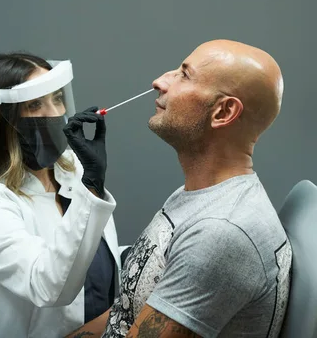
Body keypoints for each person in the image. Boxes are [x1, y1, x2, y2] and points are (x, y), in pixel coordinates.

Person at [68, 40, 292, 338]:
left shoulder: (220, 233)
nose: (160, 82)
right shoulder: (201, 195)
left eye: (184, 75)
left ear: (223, 112)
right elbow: (128, 309)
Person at [0, 52, 124, 338]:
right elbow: (49, 286)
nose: (54, 113)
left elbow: (91, 266)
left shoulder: (73, 173)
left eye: (57, 98)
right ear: (4, 120)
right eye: (35, 104)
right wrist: (93, 187)